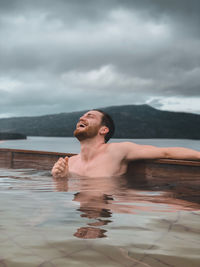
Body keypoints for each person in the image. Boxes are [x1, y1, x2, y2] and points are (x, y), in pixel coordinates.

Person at [51, 109, 200, 178]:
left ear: (104, 129)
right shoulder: (68, 162)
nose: (81, 118)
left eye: (89, 116)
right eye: (81, 116)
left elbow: (166, 152)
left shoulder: (117, 151)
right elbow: (60, 195)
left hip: (109, 209)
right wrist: (61, 178)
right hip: (76, 213)